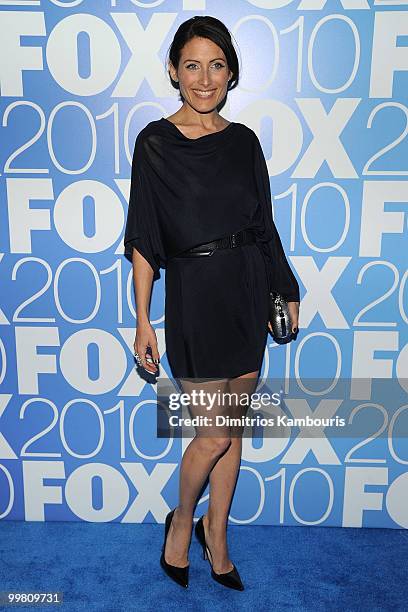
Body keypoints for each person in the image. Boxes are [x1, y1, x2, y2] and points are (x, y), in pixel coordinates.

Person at [124, 16, 300, 591]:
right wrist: (143, 319)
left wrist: (286, 287)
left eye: (217, 65)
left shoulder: (244, 141)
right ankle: (181, 524)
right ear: (174, 72)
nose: (205, 78)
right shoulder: (154, 143)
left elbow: (263, 226)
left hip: (247, 291)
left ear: (232, 74)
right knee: (213, 434)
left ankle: (216, 535)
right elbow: (145, 238)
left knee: (235, 430)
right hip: (196, 298)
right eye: (192, 65)